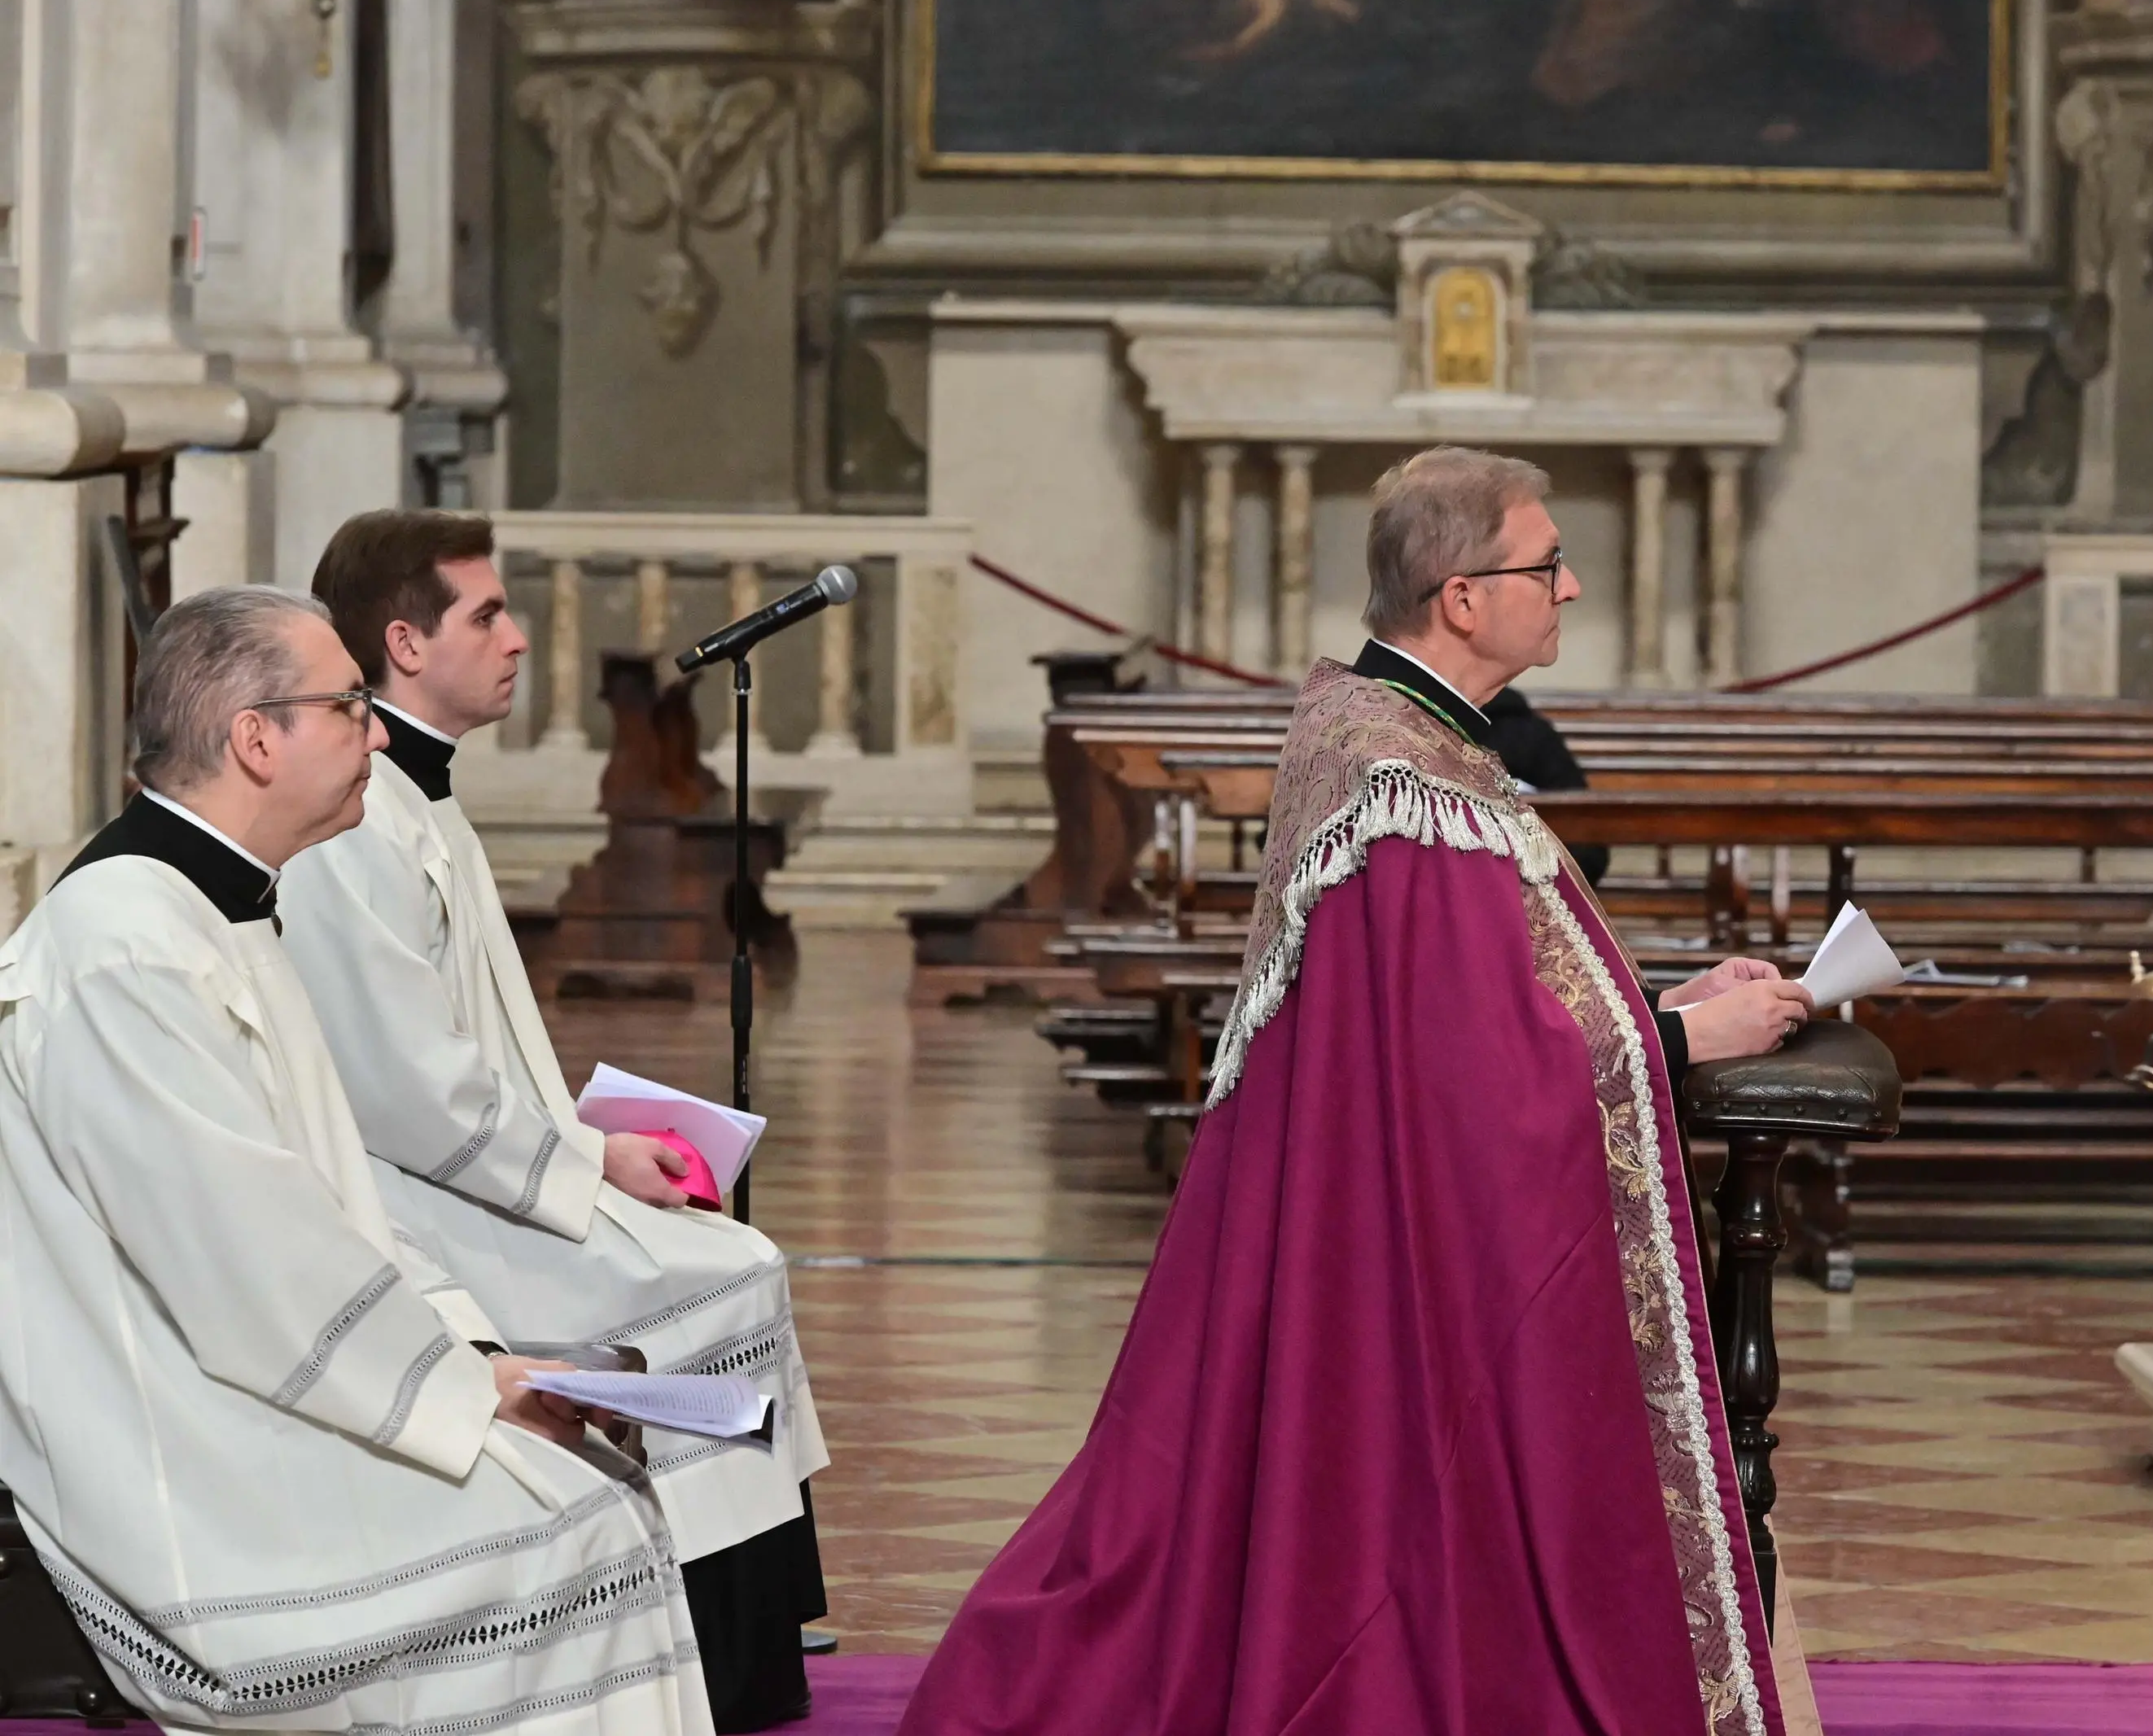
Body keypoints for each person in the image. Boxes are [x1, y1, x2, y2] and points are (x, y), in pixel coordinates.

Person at [899, 447, 1821, 1736]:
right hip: (1394, 1244)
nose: (1568, 583)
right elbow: (1479, 1090)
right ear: (1459, 594)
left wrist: (1660, 1008)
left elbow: (1471, 1007)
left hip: (1350, 1209)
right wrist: (1682, 1041)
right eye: (1543, 561)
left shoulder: (1388, 730)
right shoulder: (1409, 781)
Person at [0, 587, 708, 1736]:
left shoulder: (215, 913)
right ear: (255, 738)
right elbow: (246, 1266)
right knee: (569, 1545)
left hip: (262, 1381)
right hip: (182, 1450)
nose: (378, 732)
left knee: (606, 1500)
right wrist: (466, 1386)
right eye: (348, 705)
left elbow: (327, 1206)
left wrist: (479, 1353)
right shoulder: (125, 950)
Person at [278, 513, 829, 1733]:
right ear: (406, 642)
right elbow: (405, 1087)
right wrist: (588, 1159)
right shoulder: (359, 823)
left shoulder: (416, 800)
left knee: (728, 1257)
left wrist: (598, 1130)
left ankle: (735, 1633)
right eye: (489, 614)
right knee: (718, 1274)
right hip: (413, 1198)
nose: (522, 638)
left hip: (477, 1161)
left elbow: (459, 1050)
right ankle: (710, 1645)